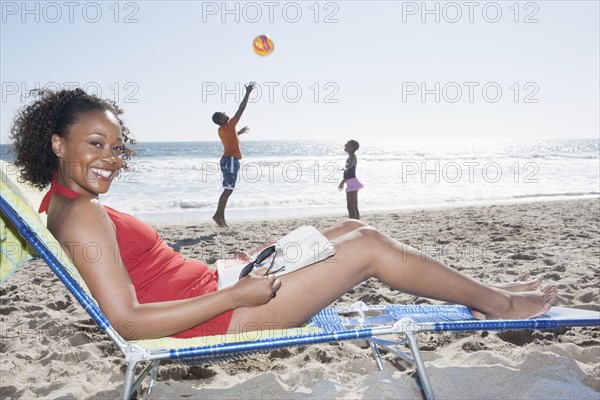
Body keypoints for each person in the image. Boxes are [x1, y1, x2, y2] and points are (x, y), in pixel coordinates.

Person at [9, 88, 557, 341]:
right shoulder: (80, 215)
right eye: (96, 144)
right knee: (368, 247)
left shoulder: (71, 203)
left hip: (216, 290)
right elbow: (127, 324)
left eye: (118, 147)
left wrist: (227, 273)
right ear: (58, 144)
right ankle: (498, 303)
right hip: (216, 318)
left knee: (350, 229)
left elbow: (147, 276)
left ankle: (483, 290)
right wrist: (234, 294)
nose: (110, 158)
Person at [211, 82, 256, 227]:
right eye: (223, 115)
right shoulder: (229, 125)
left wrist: (238, 133)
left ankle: (220, 217)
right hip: (230, 160)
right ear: (221, 120)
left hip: (227, 160)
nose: (226, 114)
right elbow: (241, 109)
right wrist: (248, 93)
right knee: (228, 190)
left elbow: (231, 138)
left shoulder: (223, 129)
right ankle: (218, 216)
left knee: (228, 189)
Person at [338, 140, 364, 219]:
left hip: (352, 183)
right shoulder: (350, 157)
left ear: (351, 148)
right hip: (352, 183)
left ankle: (354, 223)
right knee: (353, 206)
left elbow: (351, 166)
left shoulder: (352, 156)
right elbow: (348, 172)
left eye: (347, 144)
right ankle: (357, 223)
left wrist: (342, 182)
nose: (345, 145)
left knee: (350, 207)